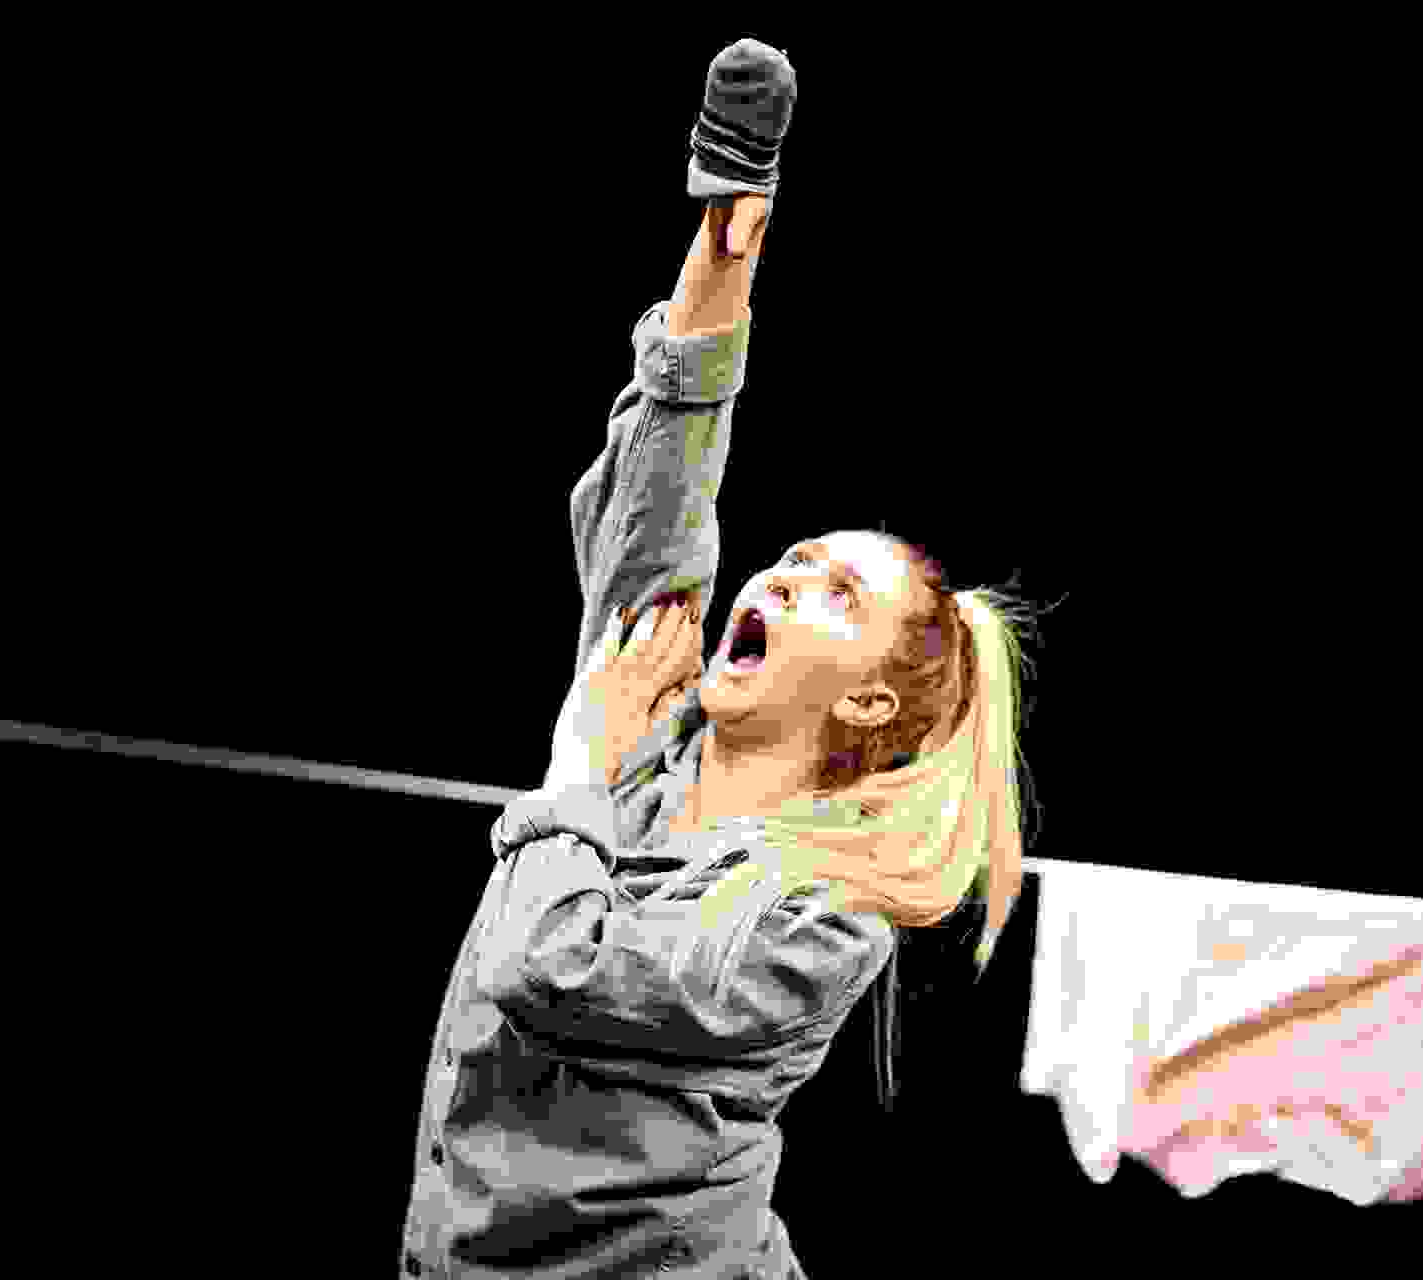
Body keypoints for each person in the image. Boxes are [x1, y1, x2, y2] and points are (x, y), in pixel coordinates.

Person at [401, 38, 1045, 1277]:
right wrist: (727, 236)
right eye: (794, 559)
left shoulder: (824, 919)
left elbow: (553, 965)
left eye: (834, 593)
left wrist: (578, 766)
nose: (782, 578)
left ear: (870, 697)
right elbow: (665, 480)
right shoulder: (653, 721)